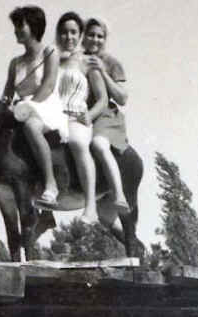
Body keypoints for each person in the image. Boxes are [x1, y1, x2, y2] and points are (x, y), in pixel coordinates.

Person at [3, 5, 68, 209]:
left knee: (31, 126)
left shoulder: (50, 52)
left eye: (20, 25)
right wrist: (3, 107)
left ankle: (51, 185)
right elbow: (7, 94)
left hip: (46, 105)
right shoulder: (15, 63)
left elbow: (48, 85)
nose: (16, 30)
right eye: (15, 26)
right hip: (22, 108)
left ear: (33, 26)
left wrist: (27, 106)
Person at [55, 11, 109, 224]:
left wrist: (90, 115)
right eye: (64, 32)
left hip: (76, 116)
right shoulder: (52, 61)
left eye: (73, 32)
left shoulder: (88, 62)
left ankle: (91, 206)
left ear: (79, 35)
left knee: (78, 143)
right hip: (53, 115)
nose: (68, 37)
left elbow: (103, 99)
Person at [82, 17, 130, 214]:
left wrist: (103, 72)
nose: (95, 40)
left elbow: (122, 98)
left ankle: (119, 195)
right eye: (91, 35)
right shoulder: (76, 59)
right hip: (79, 113)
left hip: (104, 115)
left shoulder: (111, 62)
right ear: (83, 37)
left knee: (99, 144)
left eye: (100, 36)